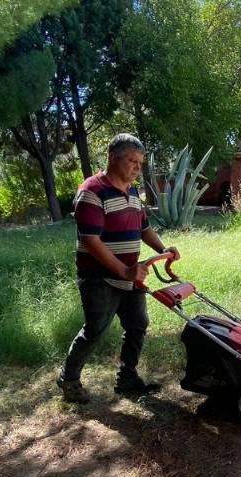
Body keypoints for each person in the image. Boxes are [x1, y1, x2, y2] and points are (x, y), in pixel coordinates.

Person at [57, 133, 179, 404]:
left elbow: (143, 227)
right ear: (113, 158)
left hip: (130, 276)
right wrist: (123, 271)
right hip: (98, 277)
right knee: (95, 329)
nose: (137, 167)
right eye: (131, 161)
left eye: (140, 162)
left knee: (137, 324)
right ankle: (68, 378)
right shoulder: (92, 191)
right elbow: (90, 240)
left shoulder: (133, 191)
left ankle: (127, 379)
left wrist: (163, 250)